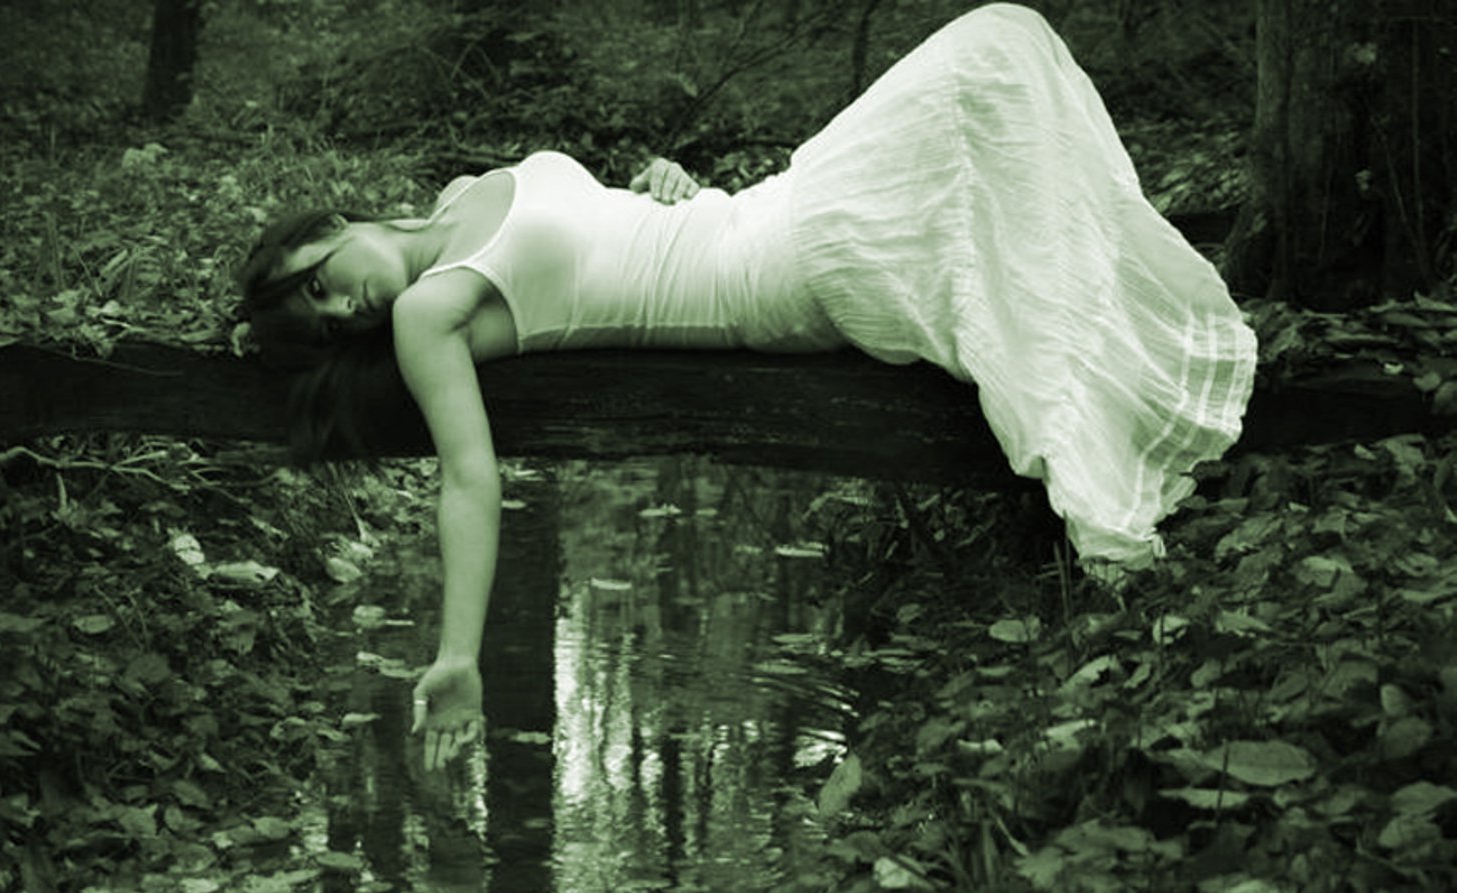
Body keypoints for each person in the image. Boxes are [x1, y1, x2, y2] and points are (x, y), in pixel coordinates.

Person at [236, 3, 1258, 771]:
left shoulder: (461, 198)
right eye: (324, 329)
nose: (342, 314)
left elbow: (594, 230)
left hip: (756, 211)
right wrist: (459, 654)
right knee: (994, 50)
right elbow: (468, 476)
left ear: (327, 229)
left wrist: (662, 181)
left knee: (1008, 39)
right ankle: (1113, 401)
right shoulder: (429, 315)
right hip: (772, 274)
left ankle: (1114, 326)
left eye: (320, 288)